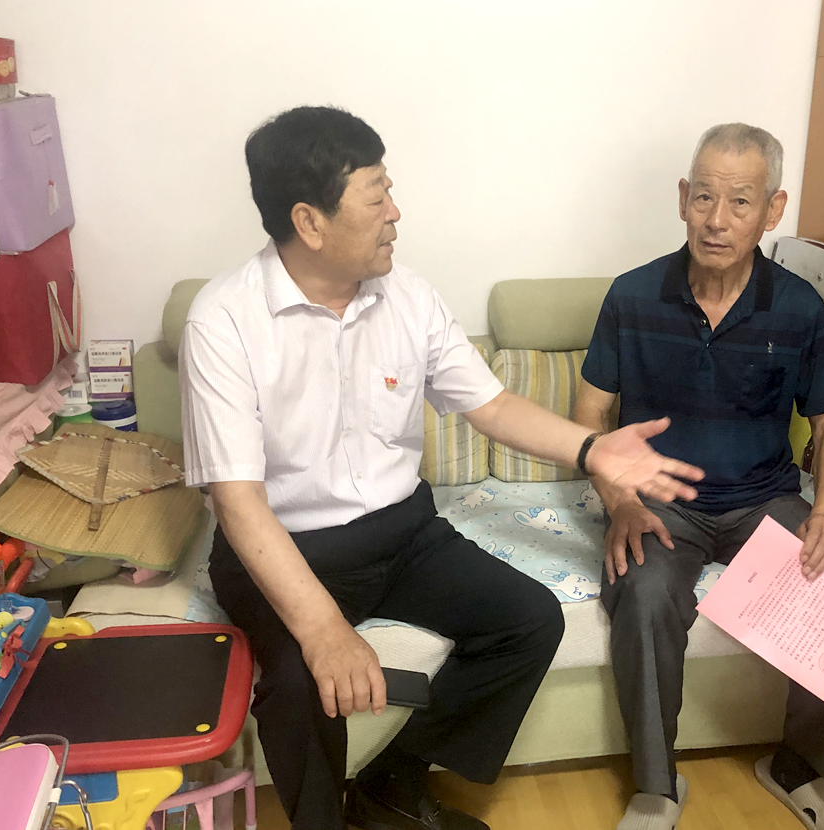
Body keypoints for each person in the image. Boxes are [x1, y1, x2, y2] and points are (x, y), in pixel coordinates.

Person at [178, 106, 703, 830]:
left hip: (402, 534)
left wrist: (592, 449)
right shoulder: (223, 321)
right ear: (309, 222)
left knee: (528, 621)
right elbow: (238, 503)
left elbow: (491, 405)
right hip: (279, 547)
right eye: (376, 197)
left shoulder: (408, 297)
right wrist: (325, 629)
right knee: (299, 683)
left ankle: (392, 783)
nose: (395, 213)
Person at [573, 123, 824, 830]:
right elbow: (589, 413)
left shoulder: (798, 307)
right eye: (704, 196)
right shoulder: (632, 296)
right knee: (645, 591)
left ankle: (800, 769)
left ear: (772, 210)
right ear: (683, 198)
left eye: (740, 201)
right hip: (659, 499)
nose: (717, 219)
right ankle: (656, 787)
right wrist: (619, 498)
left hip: (764, 499)